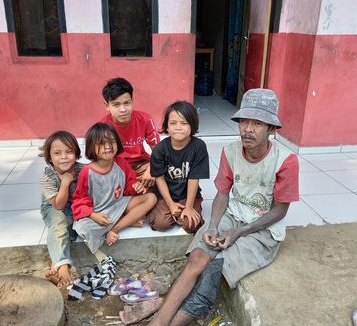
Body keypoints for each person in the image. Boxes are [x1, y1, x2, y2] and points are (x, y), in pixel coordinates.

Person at [149, 88, 300, 326]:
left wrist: (239, 232)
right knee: (197, 260)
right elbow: (222, 194)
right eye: (244, 122)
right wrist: (213, 225)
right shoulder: (230, 151)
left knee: (213, 273)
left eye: (257, 123)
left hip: (263, 229)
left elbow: (280, 211)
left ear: (271, 129)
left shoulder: (285, 161)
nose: (248, 129)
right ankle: (157, 323)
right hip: (232, 215)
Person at [72, 122, 157, 253]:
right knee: (85, 228)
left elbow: (128, 186)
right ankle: (126, 220)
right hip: (99, 212)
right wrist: (92, 215)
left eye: (111, 142)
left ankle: (115, 229)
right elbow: (79, 200)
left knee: (151, 198)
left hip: (119, 204)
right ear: (91, 147)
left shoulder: (121, 163)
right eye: (101, 143)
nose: (107, 147)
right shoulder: (86, 172)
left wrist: (136, 187)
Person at [146, 101, 209, 233]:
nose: (178, 127)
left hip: (187, 194)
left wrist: (189, 206)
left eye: (184, 123)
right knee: (161, 224)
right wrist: (170, 203)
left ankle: (190, 208)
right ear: (167, 127)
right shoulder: (160, 149)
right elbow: (159, 179)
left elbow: (194, 178)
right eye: (173, 123)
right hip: (165, 195)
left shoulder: (199, 147)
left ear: (192, 126)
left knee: (190, 224)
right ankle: (158, 209)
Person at [40, 130, 83, 287]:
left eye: (69, 152)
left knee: (72, 229)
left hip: (74, 206)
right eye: (57, 153)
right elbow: (58, 205)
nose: (64, 157)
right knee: (59, 222)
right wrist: (65, 183)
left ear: (76, 153)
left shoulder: (82, 170)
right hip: (53, 207)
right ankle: (64, 267)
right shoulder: (47, 177)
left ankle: (55, 267)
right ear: (50, 157)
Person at [100, 77, 160, 189]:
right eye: (116, 105)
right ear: (107, 106)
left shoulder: (145, 119)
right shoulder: (103, 126)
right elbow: (102, 159)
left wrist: (151, 169)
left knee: (166, 173)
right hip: (116, 166)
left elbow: (158, 151)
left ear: (132, 100)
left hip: (141, 164)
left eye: (127, 103)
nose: (123, 109)